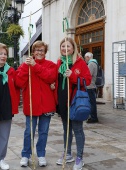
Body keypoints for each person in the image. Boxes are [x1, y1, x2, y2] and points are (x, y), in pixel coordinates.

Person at [16, 41, 57, 167]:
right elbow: (19, 83)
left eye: (42, 50)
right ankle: (25, 155)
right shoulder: (25, 65)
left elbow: (50, 77)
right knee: (29, 131)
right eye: (37, 50)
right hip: (31, 104)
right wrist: (25, 67)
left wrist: (35, 66)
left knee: (43, 131)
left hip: (46, 104)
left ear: (45, 52)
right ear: (33, 52)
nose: (39, 52)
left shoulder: (51, 65)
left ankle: (41, 155)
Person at [55, 37, 91, 170]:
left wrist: (73, 76)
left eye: (68, 46)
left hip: (75, 102)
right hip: (63, 101)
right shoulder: (59, 62)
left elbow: (87, 80)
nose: (65, 49)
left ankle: (80, 157)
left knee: (78, 130)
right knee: (66, 129)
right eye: (62, 46)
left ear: (73, 48)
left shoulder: (80, 62)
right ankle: (67, 153)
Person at [84, 52, 99, 123]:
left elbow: (88, 74)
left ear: (88, 57)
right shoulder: (93, 63)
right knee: (91, 102)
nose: (85, 59)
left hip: (90, 86)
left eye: (85, 58)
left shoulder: (91, 64)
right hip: (91, 86)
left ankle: (93, 117)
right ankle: (92, 116)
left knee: (91, 103)